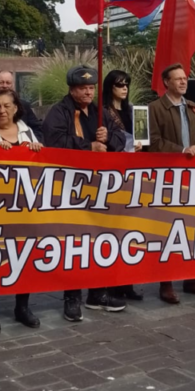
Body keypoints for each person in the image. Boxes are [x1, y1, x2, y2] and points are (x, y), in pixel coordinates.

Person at [42, 65, 127, 320]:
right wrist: (88, 146)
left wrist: (109, 137)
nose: (88, 92)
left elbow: (121, 138)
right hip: (71, 186)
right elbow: (54, 142)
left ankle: (97, 291)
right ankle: (72, 297)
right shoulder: (59, 112)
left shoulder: (102, 112)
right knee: (74, 242)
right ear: (72, 89)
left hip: (100, 186)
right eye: (83, 88)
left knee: (99, 240)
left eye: (91, 88)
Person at [149, 63, 195, 304]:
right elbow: (153, 143)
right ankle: (166, 283)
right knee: (169, 231)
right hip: (169, 177)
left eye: (185, 78)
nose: (182, 82)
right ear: (166, 82)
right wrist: (181, 151)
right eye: (177, 78)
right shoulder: (155, 109)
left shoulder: (194, 109)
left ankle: (194, 280)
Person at [0, 88, 42, 332]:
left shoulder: (27, 132)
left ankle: (22, 306)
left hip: (23, 206)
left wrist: (36, 152)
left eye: (6, 106)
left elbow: (39, 170)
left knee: (23, 253)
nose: (2, 111)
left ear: (16, 108)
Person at [102, 70, 144, 303]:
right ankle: (110, 283)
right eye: (119, 85)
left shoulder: (133, 111)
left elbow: (142, 137)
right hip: (112, 174)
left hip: (132, 174)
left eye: (126, 84)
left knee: (130, 230)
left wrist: (140, 146)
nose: (124, 88)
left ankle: (126, 281)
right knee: (111, 231)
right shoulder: (104, 113)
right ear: (111, 87)